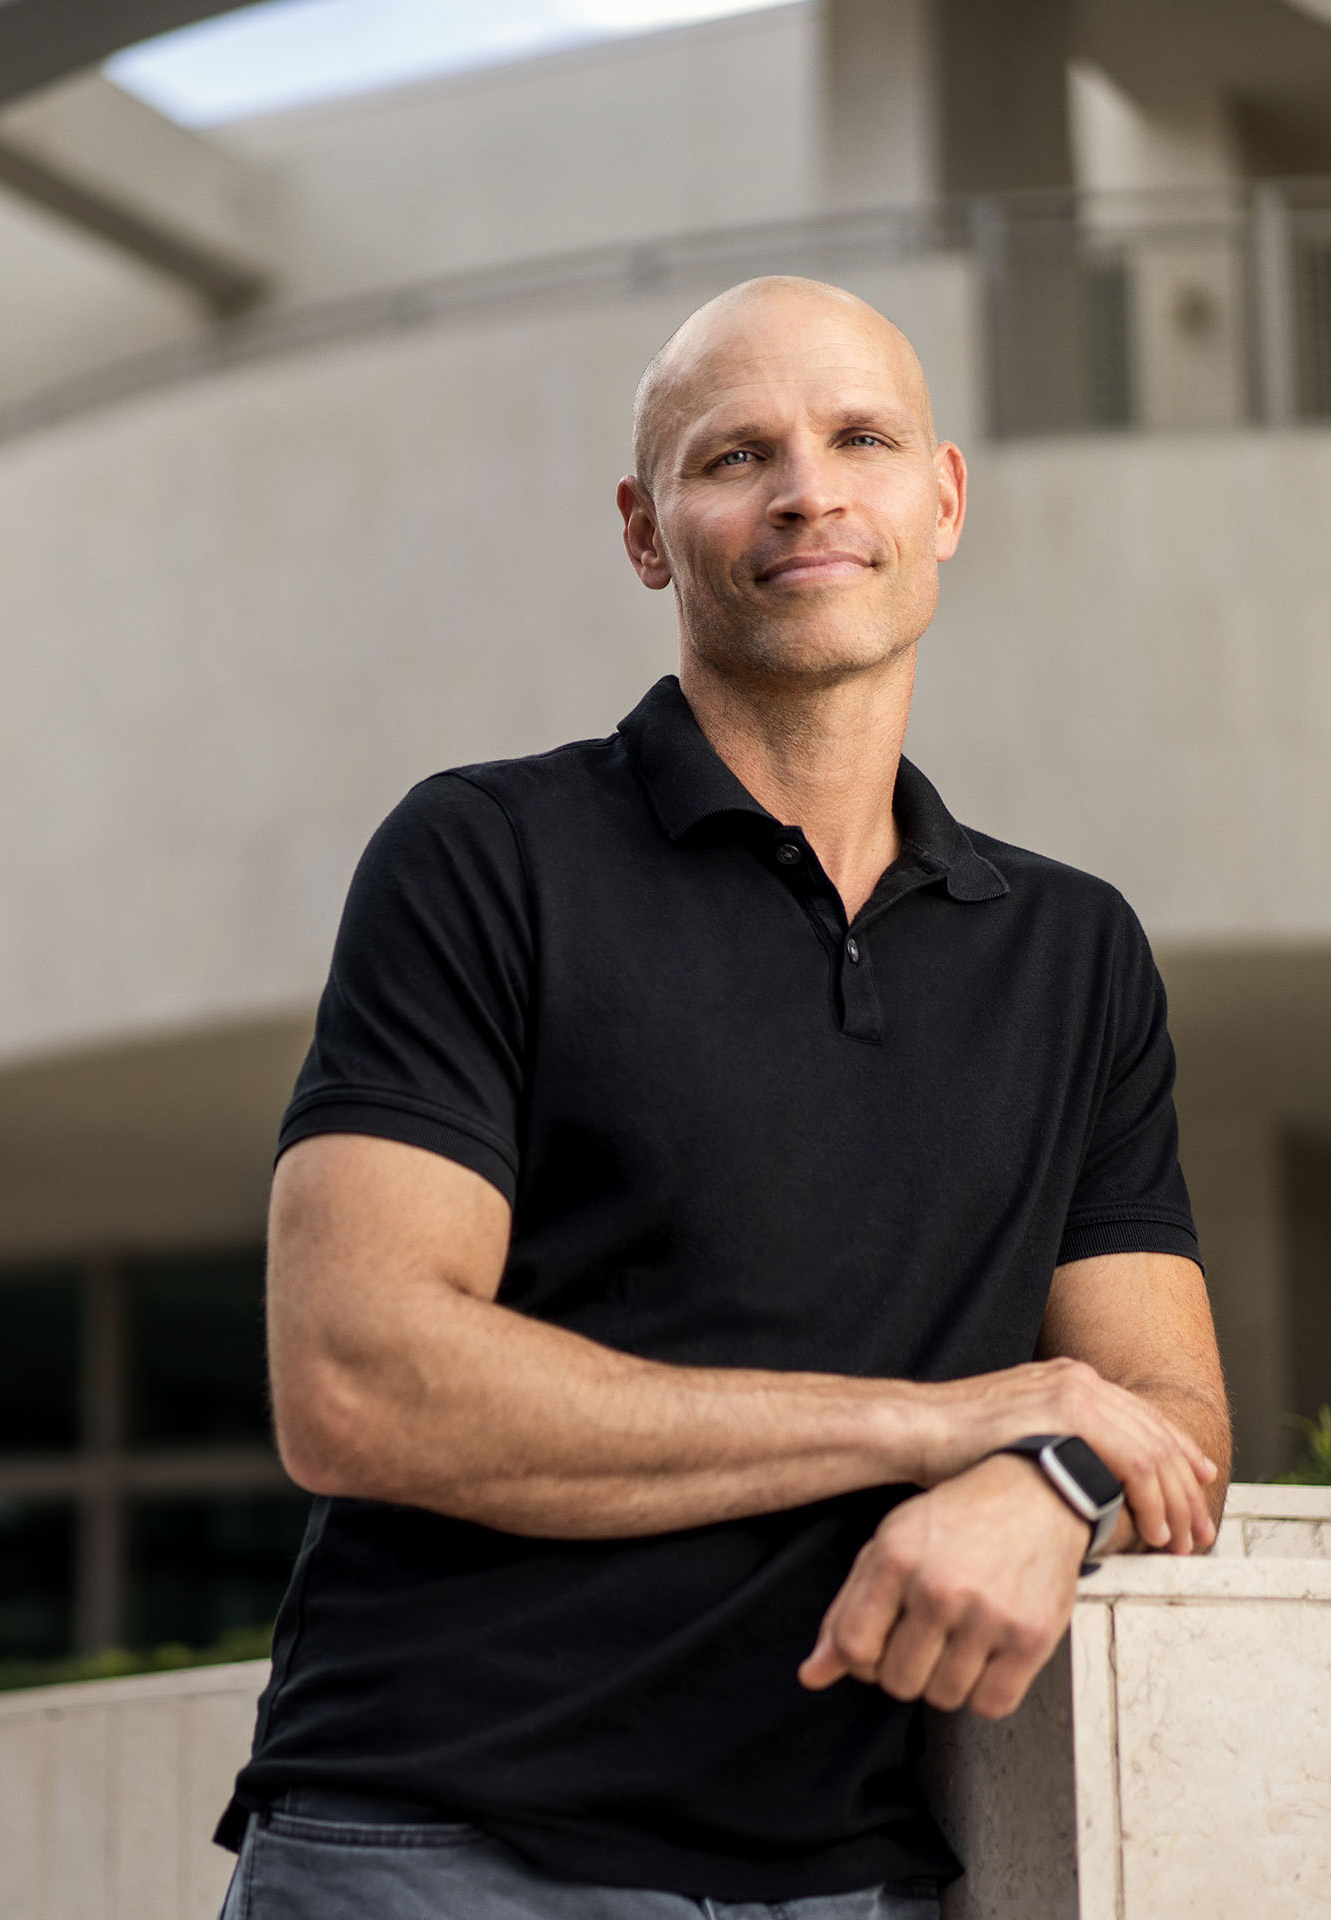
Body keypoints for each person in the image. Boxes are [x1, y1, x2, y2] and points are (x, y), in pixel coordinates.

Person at [215, 277, 1230, 1919]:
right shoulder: (485, 858)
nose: (809, 490)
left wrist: (1048, 1480)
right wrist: (938, 1423)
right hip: (441, 1848)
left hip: (845, 1878)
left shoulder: (1075, 951)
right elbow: (356, 1377)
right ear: (645, 530)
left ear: (945, 497)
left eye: (862, 439)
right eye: (736, 453)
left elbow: (1164, 1415)